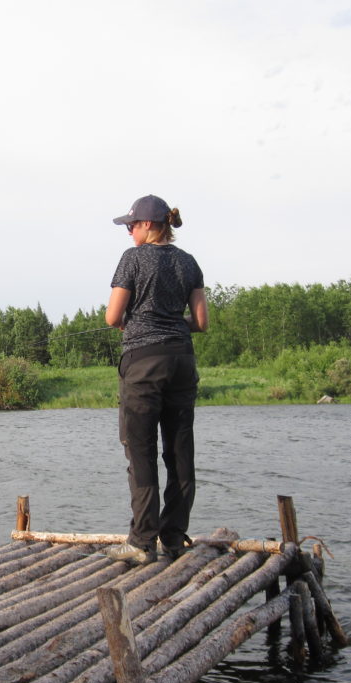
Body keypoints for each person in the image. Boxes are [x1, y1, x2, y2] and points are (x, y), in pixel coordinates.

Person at [104, 194, 209, 566]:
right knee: (180, 452)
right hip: (182, 361)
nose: (129, 230)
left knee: (141, 450)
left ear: (149, 224)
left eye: (131, 224)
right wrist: (171, 324)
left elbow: (113, 316)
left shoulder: (132, 259)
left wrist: (137, 322)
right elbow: (200, 323)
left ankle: (142, 542)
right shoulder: (189, 262)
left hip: (143, 364)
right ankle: (175, 537)